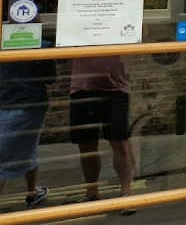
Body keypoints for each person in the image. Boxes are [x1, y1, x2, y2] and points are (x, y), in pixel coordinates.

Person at [69, 55, 134, 205]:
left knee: (120, 143)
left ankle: (126, 192)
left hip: (116, 87)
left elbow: (141, 35)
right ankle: (92, 192)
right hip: (82, 87)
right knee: (86, 145)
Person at [0, 58, 55, 208]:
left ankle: (32, 193)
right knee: (18, 149)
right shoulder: (41, 45)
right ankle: (32, 193)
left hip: (10, 102)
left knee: (27, 146)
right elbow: (50, 78)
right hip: (29, 104)